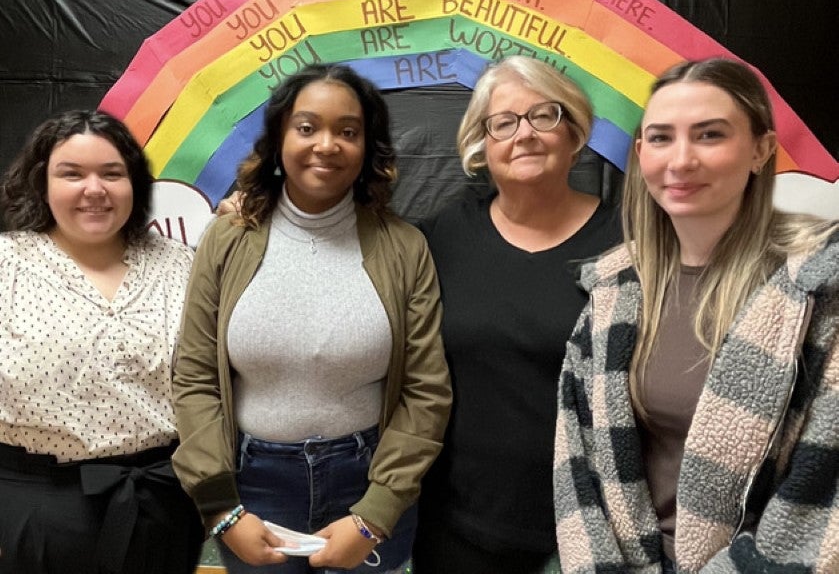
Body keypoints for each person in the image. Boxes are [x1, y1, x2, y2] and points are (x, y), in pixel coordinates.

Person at [554, 58, 839, 573]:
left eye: (709, 135)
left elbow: (822, 496)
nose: (680, 161)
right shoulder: (612, 291)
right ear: (640, 154)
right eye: (661, 138)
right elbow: (578, 461)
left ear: (760, 150)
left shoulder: (818, 291)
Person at [171, 63, 452, 574]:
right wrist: (221, 506)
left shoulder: (405, 247)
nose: (327, 144)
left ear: (368, 147)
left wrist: (374, 515)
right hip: (253, 487)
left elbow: (424, 390)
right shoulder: (228, 238)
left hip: (368, 482)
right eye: (307, 127)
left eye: (348, 131)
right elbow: (194, 377)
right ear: (280, 137)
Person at [412, 56, 623, 573]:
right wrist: (259, 206)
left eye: (544, 116)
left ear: (575, 133)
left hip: (589, 532)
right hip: (455, 527)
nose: (523, 135)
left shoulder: (628, 244)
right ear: (482, 145)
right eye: (503, 123)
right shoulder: (442, 235)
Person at [0, 110, 203, 574]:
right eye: (71, 174)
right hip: (32, 506)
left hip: (160, 500)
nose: (95, 190)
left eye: (112, 173)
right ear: (42, 182)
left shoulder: (181, 266)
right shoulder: (7, 264)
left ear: (134, 182)